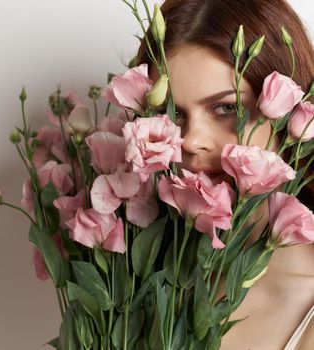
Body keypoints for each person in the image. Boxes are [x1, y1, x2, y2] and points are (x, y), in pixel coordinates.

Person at [134, 0, 314, 349]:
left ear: (294, 115)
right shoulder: (134, 282)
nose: (192, 141)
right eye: (173, 113)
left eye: (226, 108)